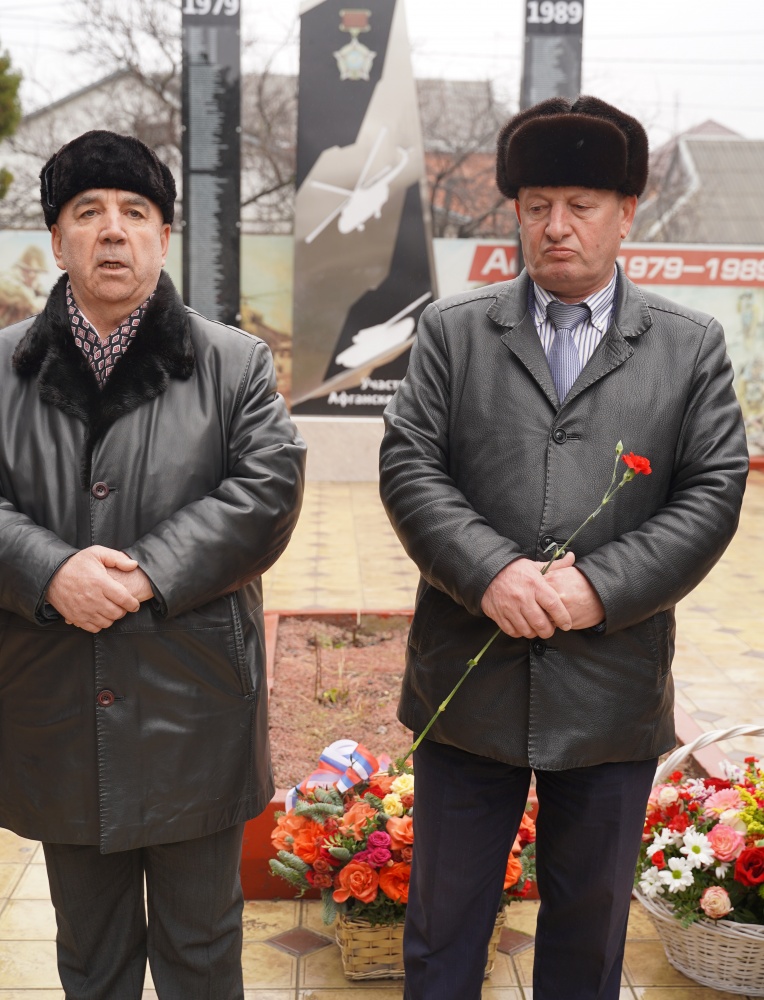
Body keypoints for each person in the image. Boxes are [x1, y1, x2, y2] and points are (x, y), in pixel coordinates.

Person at [379, 96, 748, 1000]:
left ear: (627, 214)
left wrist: (601, 587)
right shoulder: (455, 330)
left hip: (610, 687)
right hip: (470, 675)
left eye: (582, 205)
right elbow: (410, 465)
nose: (557, 226)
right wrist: (491, 572)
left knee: (588, 937)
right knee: (443, 928)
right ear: (515, 210)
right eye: (538, 204)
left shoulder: (688, 346)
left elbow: (712, 491)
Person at [0, 130, 306, 1000]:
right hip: (56, 701)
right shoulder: (3, 369)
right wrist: (49, 571)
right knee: (90, 956)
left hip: (193, 706)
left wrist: (142, 573)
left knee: (202, 954)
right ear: (56, 238)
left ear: (163, 237)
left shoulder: (233, 363)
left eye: (135, 213)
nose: (112, 230)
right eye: (87, 212)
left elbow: (267, 492)